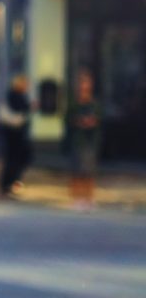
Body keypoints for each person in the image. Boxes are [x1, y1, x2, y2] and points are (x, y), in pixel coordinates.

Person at [65, 69, 102, 211]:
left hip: (90, 141)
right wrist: (78, 121)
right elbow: (68, 119)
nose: (84, 86)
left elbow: (99, 119)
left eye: (86, 83)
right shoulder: (74, 103)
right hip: (77, 140)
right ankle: (76, 198)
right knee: (76, 170)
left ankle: (89, 198)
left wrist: (92, 122)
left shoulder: (94, 103)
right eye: (82, 83)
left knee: (89, 170)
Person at [0, 75, 33, 197]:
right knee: (15, 160)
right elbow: (21, 112)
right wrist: (29, 108)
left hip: (14, 134)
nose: (27, 86)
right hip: (15, 134)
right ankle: (8, 185)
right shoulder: (16, 96)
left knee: (13, 160)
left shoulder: (14, 95)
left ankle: (8, 185)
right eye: (25, 84)